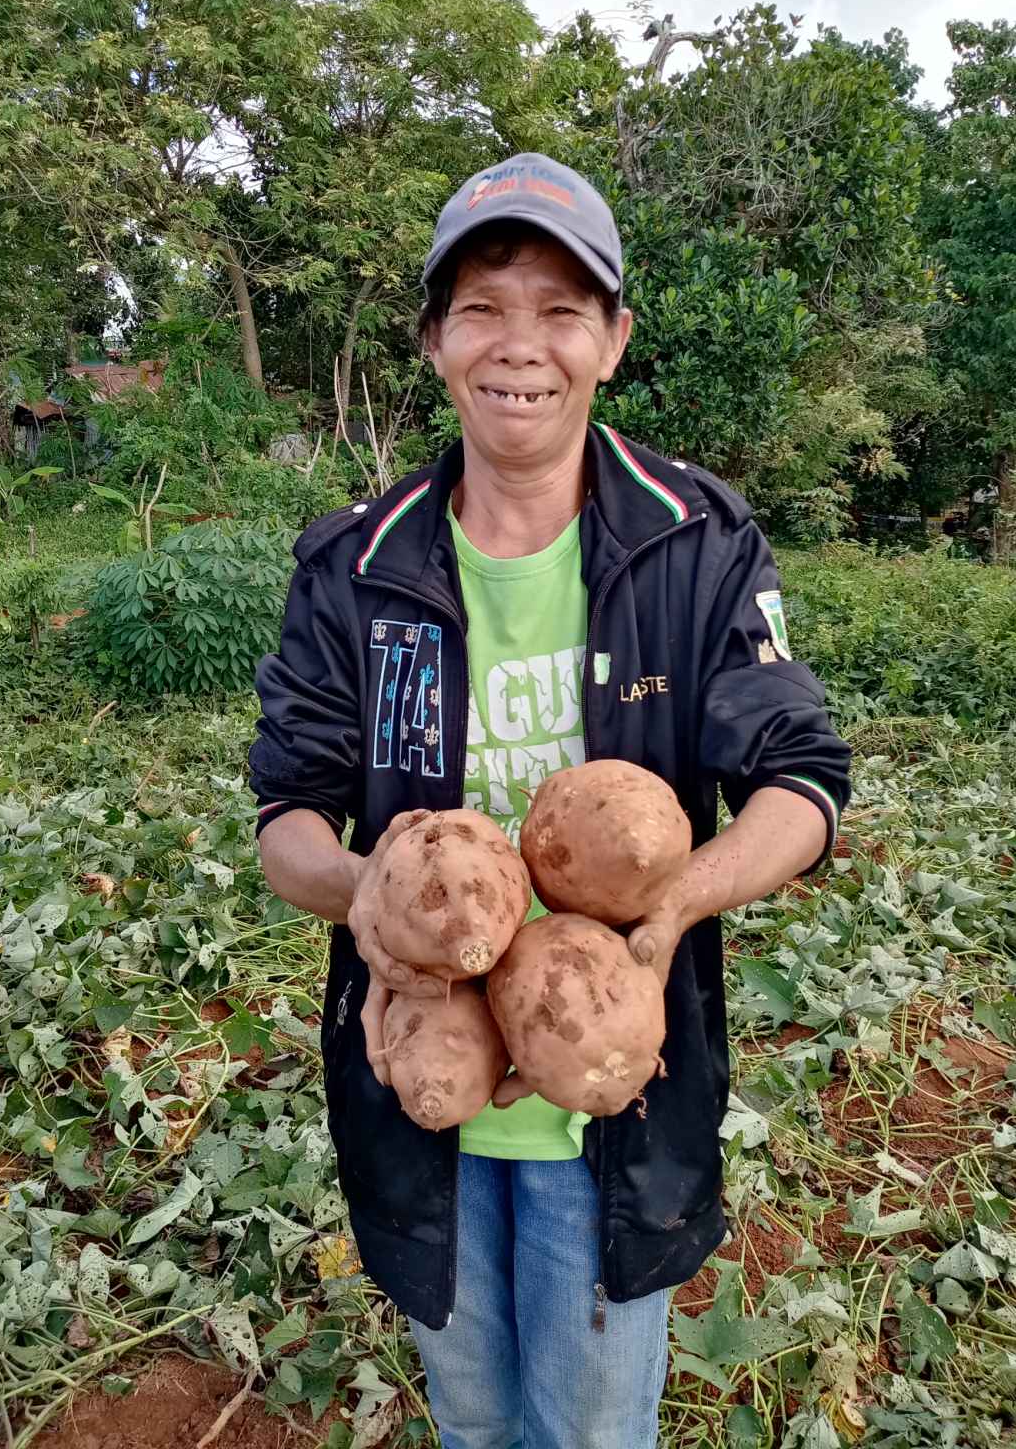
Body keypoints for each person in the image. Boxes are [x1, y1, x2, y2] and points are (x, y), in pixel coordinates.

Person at [250, 152, 851, 1449]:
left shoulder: (696, 543)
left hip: (615, 1082)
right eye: (482, 305)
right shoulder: (355, 564)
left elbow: (800, 778)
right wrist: (375, 896)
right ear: (434, 340)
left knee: (585, 1431)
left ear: (615, 341)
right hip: (424, 1075)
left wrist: (676, 894)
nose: (521, 344)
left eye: (562, 308)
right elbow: (287, 811)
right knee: (471, 1419)